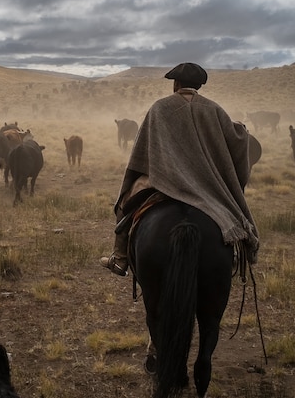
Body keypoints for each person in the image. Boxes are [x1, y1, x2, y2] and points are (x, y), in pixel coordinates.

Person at [100, 62, 259, 276]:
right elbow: (237, 139)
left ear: (176, 83)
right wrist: (241, 127)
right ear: (199, 85)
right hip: (205, 183)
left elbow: (143, 148)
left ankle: (119, 258)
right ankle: (241, 251)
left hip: (163, 179)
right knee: (229, 209)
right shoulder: (214, 109)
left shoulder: (160, 107)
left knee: (125, 201)